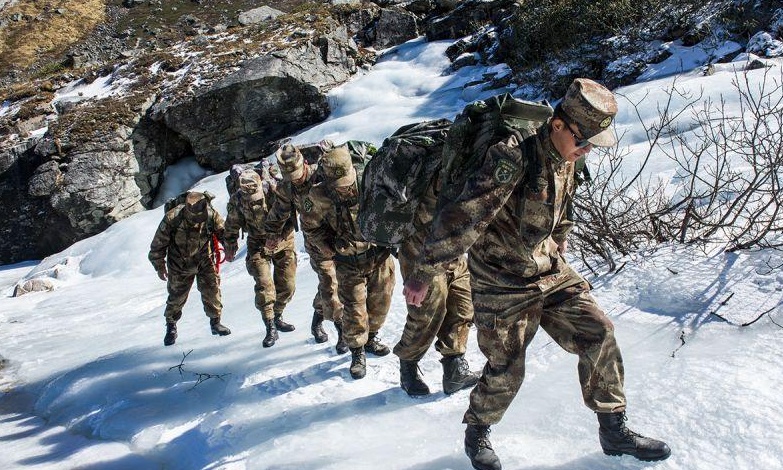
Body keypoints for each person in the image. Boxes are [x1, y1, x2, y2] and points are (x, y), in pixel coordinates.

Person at [403, 78, 671, 469]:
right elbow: (463, 218)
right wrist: (424, 272)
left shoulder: (567, 156)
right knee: (506, 367)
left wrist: (559, 239)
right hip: (502, 280)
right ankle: (477, 432)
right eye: (583, 141)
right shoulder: (511, 158)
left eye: (593, 145)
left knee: (599, 331)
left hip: (548, 269)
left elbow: (563, 206)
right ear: (558, 125)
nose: (585, 151)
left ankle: (613, 430)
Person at [301, 144, 395, 379]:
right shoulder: (318, 195)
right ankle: (357, 352)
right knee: (353, 309)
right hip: (347, 261)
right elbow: (310, 227)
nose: (346, 188)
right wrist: (329, 248)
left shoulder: (370, 180)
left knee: (380, 303)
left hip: (378, 255)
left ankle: (372, 339)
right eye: (340, 185)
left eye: (348, 181)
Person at [393, 168, 480, 397]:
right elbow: (444, 223)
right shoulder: (449, 171)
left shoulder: (479, 169)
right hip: (422, 251)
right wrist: (421, 276)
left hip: (454, 252)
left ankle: (454, 370)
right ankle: (408, 367)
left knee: (462, 306)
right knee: (427, 313)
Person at [265, 143, 348, 354]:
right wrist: (272, 235)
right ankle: (343, 333)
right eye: (289, 177)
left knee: (333, 285)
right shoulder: (287, 188)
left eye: (297, 174)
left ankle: (316, 320)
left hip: (341, 238)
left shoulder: (322, 176)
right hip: (316, 243)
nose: (295, 180)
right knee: (330, 283)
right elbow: (278, 213)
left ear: (306, 164)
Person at [224, 168, 297, 348]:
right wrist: (230, 245)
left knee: (287, 285)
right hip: (257, 243)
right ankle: (270, 325)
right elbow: (232, 224)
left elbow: (290, 218)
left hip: (283, 241)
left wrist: (278, 238)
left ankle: (278, 314)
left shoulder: (275, 192)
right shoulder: (238, 200)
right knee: (264, 284)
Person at [149, 191, 231, 346]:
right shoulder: (172, 218)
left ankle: (215, 322)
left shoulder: (211, 215)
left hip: (205, 260)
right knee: (176, 297)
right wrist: (159, 265)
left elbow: (223, 233)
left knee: (212, 291)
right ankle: (171, 326)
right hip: (179, 264)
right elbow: (158, 244)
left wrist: (229, 246)